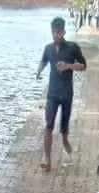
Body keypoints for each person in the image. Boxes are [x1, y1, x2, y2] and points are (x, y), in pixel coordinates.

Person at [36, 17, 87, 172]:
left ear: (64, 32)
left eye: (58, 32)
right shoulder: (48, 48)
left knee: (64, 127)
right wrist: (39, 71)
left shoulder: (72, 47)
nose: (55, 35)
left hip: (66, 94)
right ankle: (47, 159)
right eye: (53, 32)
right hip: (52, 93)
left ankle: (65, 140)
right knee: (48, 125)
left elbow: (83, 66)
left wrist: (68, 66)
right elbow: (44, 61)